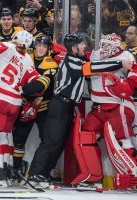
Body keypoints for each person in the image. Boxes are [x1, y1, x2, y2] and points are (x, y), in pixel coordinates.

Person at [27, 33, 133, 188]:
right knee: (51, 141)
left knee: (59, 142)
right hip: (59, 105)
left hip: (67, 105)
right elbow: (92, 68)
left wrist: (76, 109)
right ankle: (35, 174)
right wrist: (119, 63)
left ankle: (43, 173)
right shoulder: (71, 60)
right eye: (82, 44)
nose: (85, 46)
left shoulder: (76, 59)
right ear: (74, 48)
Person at [0, 30, 49, 191]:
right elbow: (36, 82)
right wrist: (38, 95)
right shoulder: (28, 59)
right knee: (6, 134)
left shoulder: (5, 45)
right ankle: (8, 169)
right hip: (15, 102)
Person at [67, 33, 137, 189]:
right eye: (103, 44)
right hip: (98, 107)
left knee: (123, 141)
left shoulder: (126, 55)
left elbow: (134, 75)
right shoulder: (95, 55)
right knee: (86, 138)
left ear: (117, 47)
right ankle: (92, 176)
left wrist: (126, 87)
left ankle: (133, 177)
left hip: (118, 105)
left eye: (108, 45)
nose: (104, 48)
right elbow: (80, 61)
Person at [12, 34, 58, 181]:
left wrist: (22, 91)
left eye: (44, 46)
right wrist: (24, 96)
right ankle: (16, 169)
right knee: (19, 139)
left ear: (48, 49)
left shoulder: (50, 63)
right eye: (39, 45)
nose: (41, 49)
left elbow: (43, 86)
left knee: (47, 140)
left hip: (43, 107)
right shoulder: (26, 57)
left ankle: (44, 171)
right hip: (25, 104)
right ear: (34, 45)